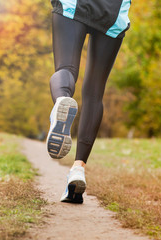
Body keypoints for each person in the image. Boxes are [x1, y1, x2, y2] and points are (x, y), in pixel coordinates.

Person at [45, 0, 131, 203]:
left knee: (66, 69)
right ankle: (78, 169)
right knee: (94, 93)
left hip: (75, 4)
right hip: (112, 12)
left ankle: (62, 100)